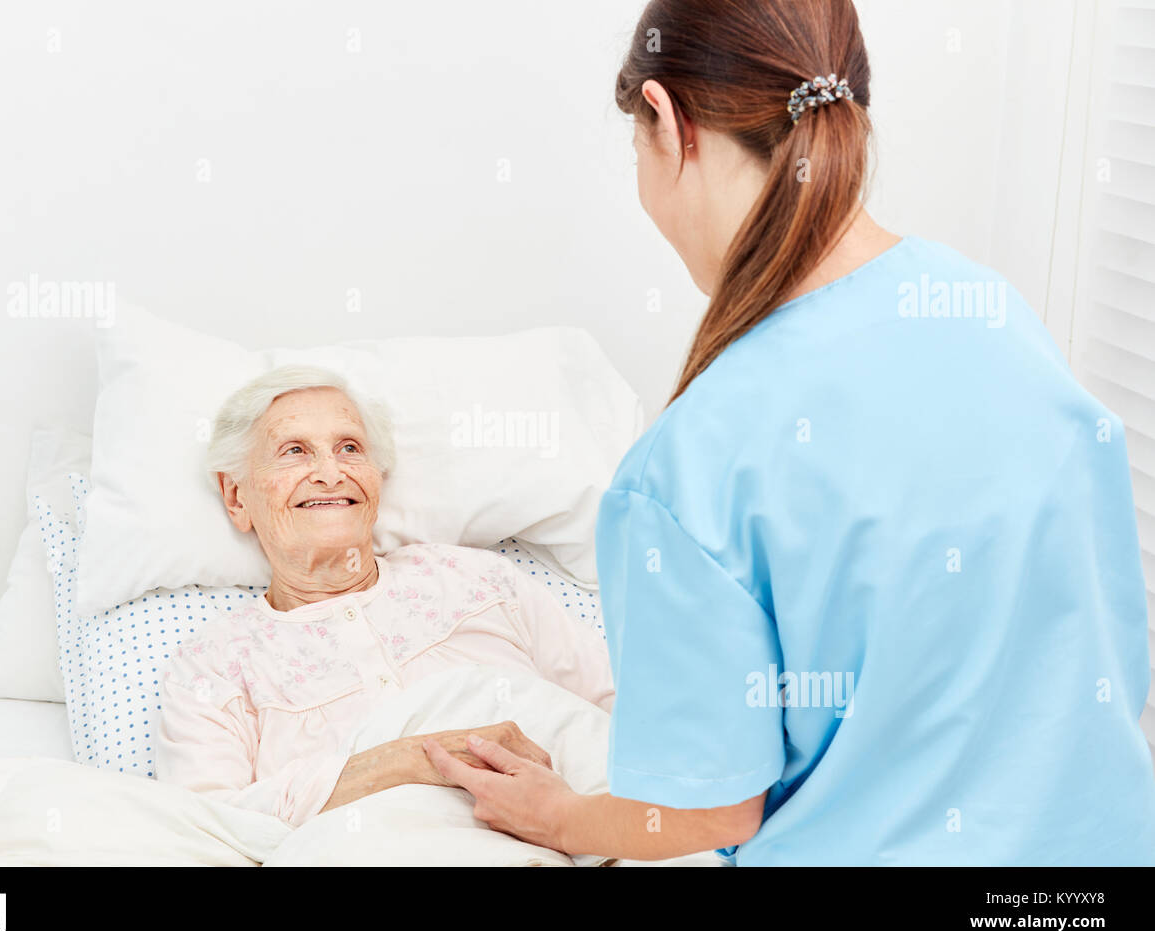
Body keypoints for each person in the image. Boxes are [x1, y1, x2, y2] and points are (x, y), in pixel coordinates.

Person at [423, 0, 1155, 864]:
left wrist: (561, 818)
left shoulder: (683, 471)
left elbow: (708, 815)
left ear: (665, 120)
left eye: (636, 149)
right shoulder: (990, 308)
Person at [154, 365, 613, 827]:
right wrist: (408, 761)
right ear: (236, 497)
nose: (330, 473)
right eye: (294, 451)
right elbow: (208, 827)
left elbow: (620, 708)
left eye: (349, 448)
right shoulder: (214, 665)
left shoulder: (477, 579)